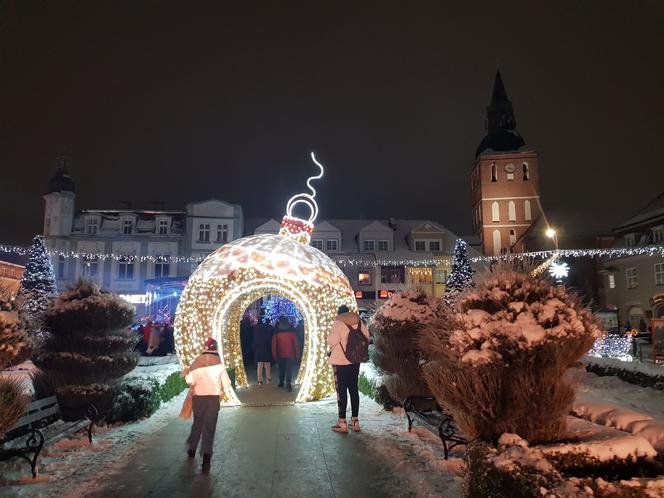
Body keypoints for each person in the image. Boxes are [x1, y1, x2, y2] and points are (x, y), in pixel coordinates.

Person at [183, 337, 230, 473]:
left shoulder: (197, 362)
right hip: (213, 400)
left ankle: (192, 448)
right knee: (209, 428)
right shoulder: (219, 364)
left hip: (198, 399)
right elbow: (226, 383)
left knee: (197, 423)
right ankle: (206, 458)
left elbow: (189, 380)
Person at [327, 305, 370, 433]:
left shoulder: (338, 323)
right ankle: (355, 421)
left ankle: (342, 422)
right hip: (355, 361)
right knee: (353, 389)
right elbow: (367, 338)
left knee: (342, 391)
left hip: (340, 363)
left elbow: (331, 341)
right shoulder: (359, 322)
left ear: (340, 314)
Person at [271, 316, 300, 392]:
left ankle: (281, 382)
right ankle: (288, 384)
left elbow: (274, 344)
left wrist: (274, 355)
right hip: (291, 353)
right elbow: (295, 343)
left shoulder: (276, 331)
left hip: (280, 353)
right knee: (289, 369)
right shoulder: (292, 330)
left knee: (281, 369)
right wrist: (297, 354)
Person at [253, 318, 273, 385]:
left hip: (259, 350)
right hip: (266, 349)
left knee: (260, 365)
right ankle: (268, 378)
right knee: (267, 365)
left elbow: (254, 342)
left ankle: (259, 380)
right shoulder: (268, 332)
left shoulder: (257, 332)